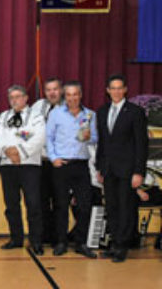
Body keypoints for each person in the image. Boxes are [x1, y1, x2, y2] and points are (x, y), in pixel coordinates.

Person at [96, 74, 149, 263]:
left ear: (125, 89)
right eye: (113, 88)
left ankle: (122, 246)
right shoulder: (102, 112)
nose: (116, 91)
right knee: (112, 207)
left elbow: (141, 144)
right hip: (109, 169)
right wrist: (99, 167)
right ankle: (115, 242)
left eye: (120, 88)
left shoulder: (135, 112)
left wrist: (139, 172)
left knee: (126, 208)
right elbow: (102, 143)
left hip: (128, 170)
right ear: (107, 90)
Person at [45, 81, 98, 258]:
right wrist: (53, 158)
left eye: (75, 94)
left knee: (85, 205)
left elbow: (96, 139)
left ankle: (81, 242)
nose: (72, 98)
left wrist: (90, 137)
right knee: (60, 205)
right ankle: (61, 242)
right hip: (62, 165)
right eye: (68, 95)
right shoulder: (56, 114)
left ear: (80, 95)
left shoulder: (90, 115)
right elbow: (49, 138)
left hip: (81, 165)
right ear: (64, 96)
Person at [0, 85, 46, 255]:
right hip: (8, 165)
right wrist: (8, 152)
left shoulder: (36, 117)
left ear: (26, 98)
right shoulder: (3, 117)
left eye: (18, 97)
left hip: (29, 164)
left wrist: (20, 153)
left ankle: (36, 241)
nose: (15, 100)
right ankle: (16, 238)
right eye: (11, 98)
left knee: (33, 203)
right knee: (11, 203)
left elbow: (38, 138)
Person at [31, 77, 64, 246]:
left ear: (61, 90)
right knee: (42, 200)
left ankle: (59, 238)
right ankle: (45, 234)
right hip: (41, 161)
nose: (52, 92)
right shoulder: (38, 106)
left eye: (55, 89)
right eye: (49, 89)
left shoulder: (68, 109)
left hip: (59, 162)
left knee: (59, 200)